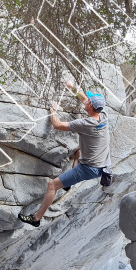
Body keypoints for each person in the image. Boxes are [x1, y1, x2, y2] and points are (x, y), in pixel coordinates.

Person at [18, 81, 111, 227]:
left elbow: (57, 125)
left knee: (52, 185)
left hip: (89, 168)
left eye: (89, 101)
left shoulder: (85, 124)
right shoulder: (103, 115)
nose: (86, 101)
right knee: (78, 150)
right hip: (103, 163)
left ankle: (36, 219)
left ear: (91, 106)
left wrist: (53, 111)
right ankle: (68, 182)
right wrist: (72, 87)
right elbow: (84, 99)